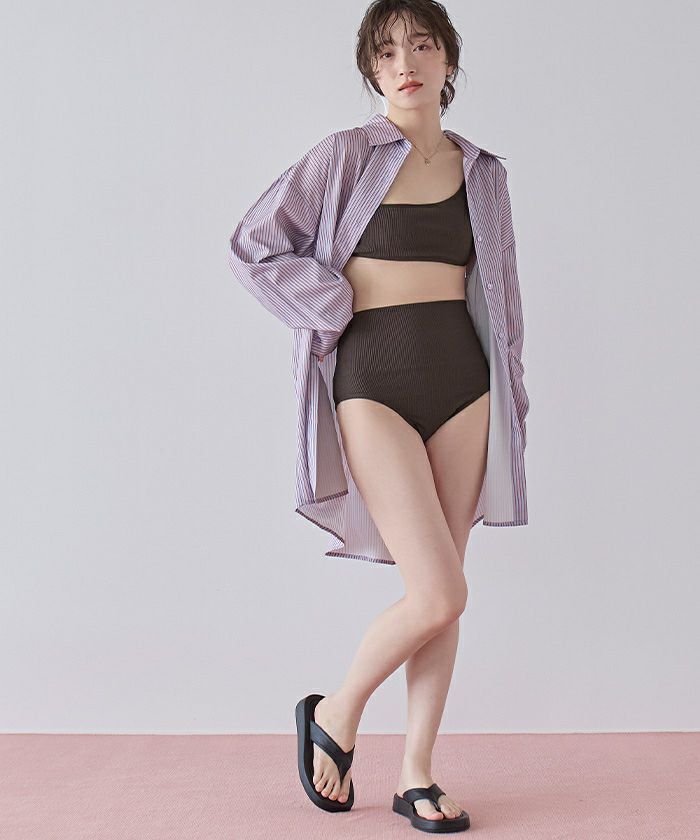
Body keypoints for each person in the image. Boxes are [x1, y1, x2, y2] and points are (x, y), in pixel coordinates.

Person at [229, 1, 529, 833]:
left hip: (464, 382)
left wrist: (514, 395)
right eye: (389, 50)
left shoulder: (484, 172)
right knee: (440, 589)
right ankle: (336, 712)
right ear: (371, 68)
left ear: (448, 62)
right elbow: (253, 246)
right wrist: (334, 300)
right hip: (371, 379)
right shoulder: (344, 156)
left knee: (443, 594)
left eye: (423, 46)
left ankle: (417, 774)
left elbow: (502, 297)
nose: (407, 63)